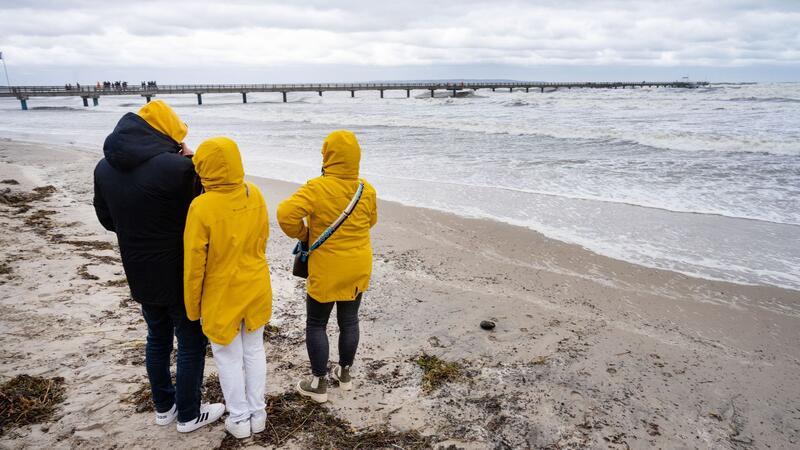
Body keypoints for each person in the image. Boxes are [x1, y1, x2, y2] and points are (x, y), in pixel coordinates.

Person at [93, 100, 225, 432]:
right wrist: (191, 158)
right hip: (179, 270)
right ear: (167, 131)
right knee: (190, 340)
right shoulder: (178, 168)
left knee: (157, 337)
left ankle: (164, 407)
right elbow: (206, 210)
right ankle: (189, 414)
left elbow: (107, 220)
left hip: (138, 269)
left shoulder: (104, 168)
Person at [277, 130, 378, 403]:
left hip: (327, 268)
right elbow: (371, 221)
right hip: (357, 265)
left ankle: (318, 383)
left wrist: (304, 234)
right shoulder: (366, 189)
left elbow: (285, 214)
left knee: (316, 323)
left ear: (327, 156)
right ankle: (345, 375)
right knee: (349, 321)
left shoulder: (316, 187)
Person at [183, 137, 272, 439]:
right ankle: (258, 414)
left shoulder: (201, 206)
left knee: (227, 356)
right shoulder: (254, 192)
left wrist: (193, 307)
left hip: (222, 292)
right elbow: (262, 239)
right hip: (256, 283)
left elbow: (194, 264)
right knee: (254, 350)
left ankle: (239, 418)